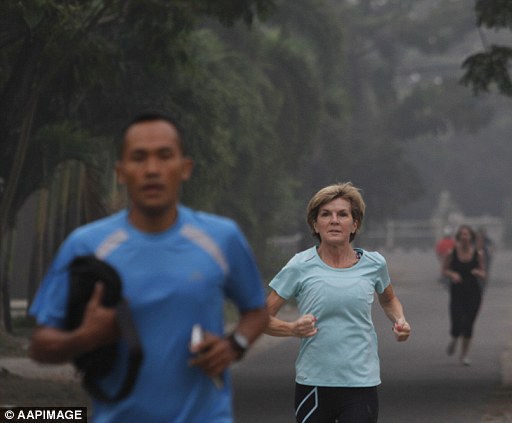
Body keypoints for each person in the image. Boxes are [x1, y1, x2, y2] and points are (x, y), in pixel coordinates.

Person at [28, 112, 269, 422]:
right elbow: (39, 346)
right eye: (139, 158)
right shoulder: (86, 246)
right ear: (121, 172)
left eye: (164, 156)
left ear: (185, 168)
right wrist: (85, 337)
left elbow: (257, 310)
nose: (152, 170)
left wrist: (234, 344)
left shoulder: (222, 239)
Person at [264, 182, 411, 423]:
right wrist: (291, 329)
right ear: (315, 224)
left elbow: (389, 300)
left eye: (343, 214)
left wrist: (400, 321)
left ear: (355, 224)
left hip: (361, 383)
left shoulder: (374, 264)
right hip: (314, 384)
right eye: (326, 214)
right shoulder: (300, 265)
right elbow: (259, 318)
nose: (334, 220)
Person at [441, 224, 486, 366]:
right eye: (462, 234)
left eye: (467, 234)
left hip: (474, 292)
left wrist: (478, 272)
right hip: (457, 292)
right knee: (456, 322)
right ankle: (454, 339)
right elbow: (444, 270)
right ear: (458, 237)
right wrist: (452, 274)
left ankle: (464, 355)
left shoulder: (478, 253)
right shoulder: (451, 253)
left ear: (471, 237)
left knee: (469, 323)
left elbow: (484, 273)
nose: (464, 237)